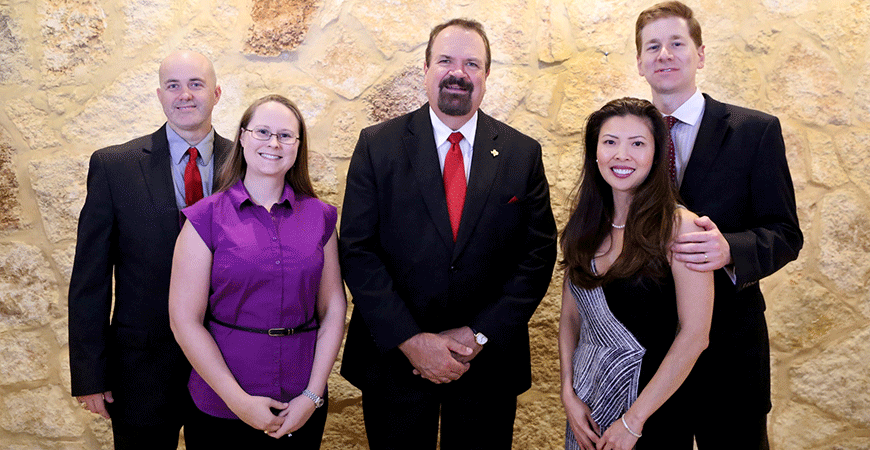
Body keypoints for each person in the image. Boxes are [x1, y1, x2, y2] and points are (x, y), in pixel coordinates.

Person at [339, 18, 557, 450]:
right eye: (446, 60)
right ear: (425, 69)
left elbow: (537, 256)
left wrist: (477, 334)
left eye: (472, 63)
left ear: (486, 76)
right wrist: (411, 340)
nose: (458, 72)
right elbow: (357, 250)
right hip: (394, 361)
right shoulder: (377, 145)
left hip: (487, 362)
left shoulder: (522, 153)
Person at [634, 2, 803, 448]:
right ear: (640, 62)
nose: (664, 54)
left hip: (730, 356)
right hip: (647, 362)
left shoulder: (755, 131)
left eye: (676, 43)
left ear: (701, 55)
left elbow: (786, 233)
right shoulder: (624, 137)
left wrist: (731, 250)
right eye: (653, 46)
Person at [68, 50, 229, 449]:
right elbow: (90, 280)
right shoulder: (114, 166)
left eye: (196, 84)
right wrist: (91, 374)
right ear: (160, 95)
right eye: (173, 85)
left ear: (217, 92)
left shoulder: (244, 164)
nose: (185, 95)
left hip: (227, 366)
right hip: (140, 369)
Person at [167, 94, 346, 448]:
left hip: (300, 404)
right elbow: (184, 319)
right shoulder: (205, 217)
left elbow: (333, 309)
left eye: (286, 135)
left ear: (298, 146)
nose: (274, 143)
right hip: (221, 406)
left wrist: (311, 396)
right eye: (262, 131)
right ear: (243, 137)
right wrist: (238, 401)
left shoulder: (321, 216)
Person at [559, 97, 713, 450]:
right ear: (594, 152)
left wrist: (634, 421)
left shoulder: (681, 227)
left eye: (637, 144)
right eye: (610, 142)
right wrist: (568, 392)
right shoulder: (585, 226)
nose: (621, 155)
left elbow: (695, 336)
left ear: (656, 155)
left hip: (651, 416)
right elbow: (570, 318)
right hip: (587, 409)